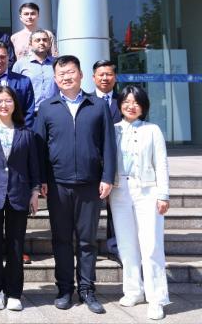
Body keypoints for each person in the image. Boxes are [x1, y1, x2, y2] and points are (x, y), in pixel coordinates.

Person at [35, 55, 116, 314]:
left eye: (71, 72)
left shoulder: (97, 105)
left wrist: (108, 177)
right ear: (55, 79)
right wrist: (41, 181)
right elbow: (39, 149)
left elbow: (108, 145)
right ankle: (64, 289)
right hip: (58, 185)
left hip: (91, 184)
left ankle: (87, 289)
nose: (66, 77)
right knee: (61, 240)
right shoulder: (47, 107)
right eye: (61, 74)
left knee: (87, 240)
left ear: (81, 75)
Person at [0, 87, 40, 312]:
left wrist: (35, 192)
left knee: (15, 245)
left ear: (15, 104)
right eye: (0, 101)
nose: (4, 105)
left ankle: (14, 293)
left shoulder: (26, 132)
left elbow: (34, 166)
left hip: (19, 193)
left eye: (8, 101)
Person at [112, 85, 170, 321]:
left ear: (143, 106)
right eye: (126, 101)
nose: (131, 106)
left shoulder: (152, 130)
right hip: (120, 191)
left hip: (148, 190)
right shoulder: (113, 129)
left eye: (136, 102)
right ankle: (133, 290)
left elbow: (162, 163)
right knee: (126, 244)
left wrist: (163, 194)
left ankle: (156, 298)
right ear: (120, 105)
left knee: (151, 245)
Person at [92, 59, 122, 263]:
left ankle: (116, 245)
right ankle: (88, 246)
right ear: (93, 77)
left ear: (115, 77)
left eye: (108, 74)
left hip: (118, 162)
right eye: (100, 74)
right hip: (91, 163)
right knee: (89, 209)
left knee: (116, 207)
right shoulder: (85, 100)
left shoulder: (124, 101)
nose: (104, 78)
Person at [12, 30, 56, 114]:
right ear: (30, 44)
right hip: (30, 113)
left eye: (45, 40)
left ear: (49, 44)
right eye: (37, 40)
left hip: (54, 112)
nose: (41, 42)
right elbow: (13, 89)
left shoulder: (57, 63)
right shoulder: (20, 64)